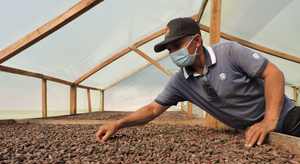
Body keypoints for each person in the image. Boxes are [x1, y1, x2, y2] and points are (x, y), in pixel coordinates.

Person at [96, 17, 300, 147]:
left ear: (197, 41)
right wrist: (118, 124)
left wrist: (269, 121)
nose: (174, 53)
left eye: (178, 45)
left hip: (285, 117)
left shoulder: (229, 52)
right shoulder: (180, 82)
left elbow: (274, 74)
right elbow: (152, 110)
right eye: (170, 50)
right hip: (250, 133)